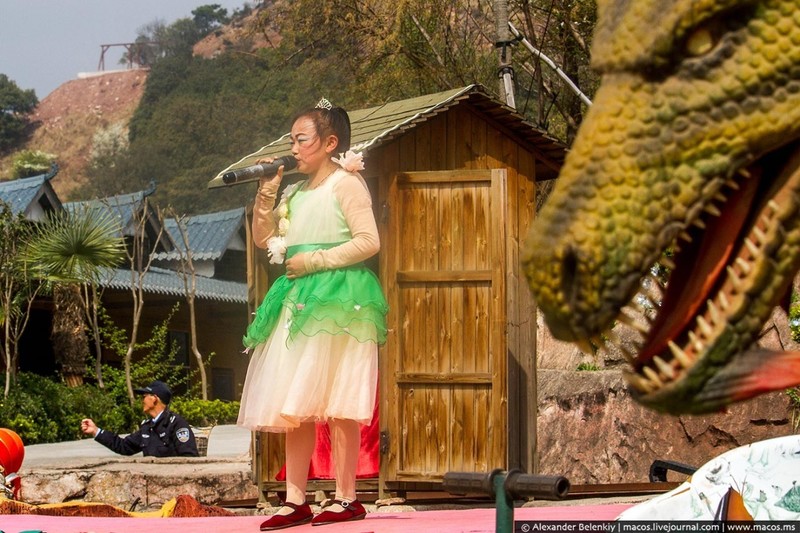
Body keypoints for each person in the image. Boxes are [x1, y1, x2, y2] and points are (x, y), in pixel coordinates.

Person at [237, 98, 388, 530]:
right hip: (299, 298)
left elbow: (369, 241)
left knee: (340, 397)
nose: (294, 148)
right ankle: (296, 500)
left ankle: (347, 497)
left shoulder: (347, 184)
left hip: (339, 297)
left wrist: (315, 261)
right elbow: (263, 238)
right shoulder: (295, 192)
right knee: (296, 400)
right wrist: (267, 190)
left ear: (330, 142)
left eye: (301, 139)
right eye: (292, 140)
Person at [80, 380, 198, 457]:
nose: (142, 400)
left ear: (154, 398)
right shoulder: (147, 427)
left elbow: (189, 458)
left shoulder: (176, 424)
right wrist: (96, 431)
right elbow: (123, 446)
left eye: (144, 396)